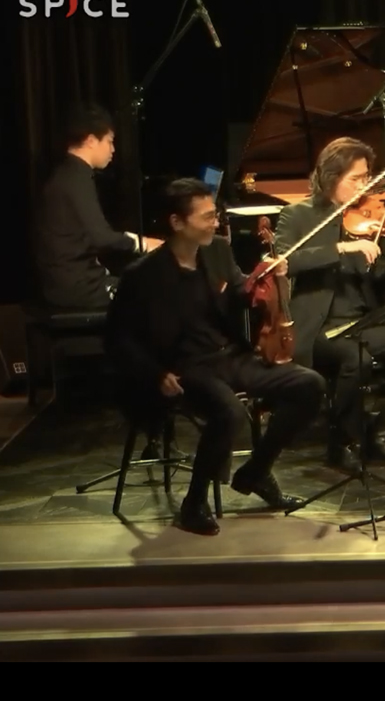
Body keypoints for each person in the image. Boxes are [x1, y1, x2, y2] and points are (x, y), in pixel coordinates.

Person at [105, 178, 325, 536]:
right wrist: (155, 374)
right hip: (185, 367)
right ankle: (193, 504)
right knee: (229, 412)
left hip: (229, 356)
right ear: (177, 222)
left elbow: (240, 291)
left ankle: (255, 472)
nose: (216, 222)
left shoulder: (217, 250)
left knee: (309, 385)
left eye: (215, 214)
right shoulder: (143, 276)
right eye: (207, 216)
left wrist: (263, 280)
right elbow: (119, 339)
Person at [274, 137, 385, 472]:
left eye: (367, 177)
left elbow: (384, 280)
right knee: (355, 358)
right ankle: (342, 442)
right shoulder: (298, 215)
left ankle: (383, 431)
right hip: (319, 329)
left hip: (361, 324)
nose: (364, 186)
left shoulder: (367, 220)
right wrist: (340, 249)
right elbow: (285, 262)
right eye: (356, 178)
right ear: (331, 176)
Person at [33, 103, 160, 310]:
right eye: (109, 141)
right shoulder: (75, 179)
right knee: (158, 292)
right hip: (79, 289)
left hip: (68, 282)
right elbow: (101, 237)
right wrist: (142, 243)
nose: (113, 149)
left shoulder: (68, 174)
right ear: (91, 141)